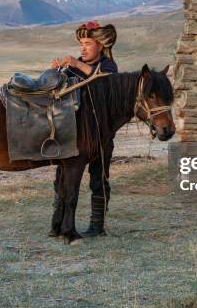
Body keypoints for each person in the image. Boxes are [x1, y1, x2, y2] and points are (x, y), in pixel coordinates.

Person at [49, 20, 118, 237]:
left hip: (101, 136)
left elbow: (107, 82)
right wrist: (55, 73)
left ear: (100, 46)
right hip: (75, 134)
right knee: (62, 176)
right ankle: (57, 223)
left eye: (88, 43)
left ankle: (97, 226)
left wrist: (77, 65)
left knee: (99, 180)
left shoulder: (108, 66)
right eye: (81, 43)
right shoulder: (74, 66)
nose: (83, 48)